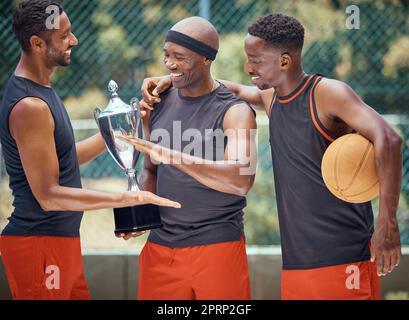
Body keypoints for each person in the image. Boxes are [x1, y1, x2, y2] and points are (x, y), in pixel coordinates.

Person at [140, 13, 403, 300]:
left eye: (256, 60)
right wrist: (173, 75)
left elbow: (389, 139)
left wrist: (387, 224)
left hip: (346, 254)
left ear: (284, 61)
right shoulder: (271, 98)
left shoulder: (328, 93)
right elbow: (219, 85)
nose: (247, 66)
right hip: (297, 263)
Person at [0, 0, 180, 300]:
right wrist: (125, 197)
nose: (74, 40)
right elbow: (49, 195)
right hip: (38, 246)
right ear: (37, 43)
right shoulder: (29, 106)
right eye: (64, 35)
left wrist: (124, 129)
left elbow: (66, 158)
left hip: (60, 243)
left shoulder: (43, 89)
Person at [117, 16, 257, 300]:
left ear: (206, 59)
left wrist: (168, 153)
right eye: (166, 55)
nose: (169, 64)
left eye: (179, 57)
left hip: (216, 246)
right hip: (161, 250)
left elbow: (241, 180)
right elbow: (151, 171)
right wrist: (139, 212)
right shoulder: (158, 102)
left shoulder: (236, 111)